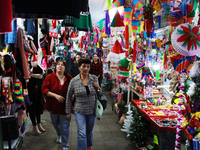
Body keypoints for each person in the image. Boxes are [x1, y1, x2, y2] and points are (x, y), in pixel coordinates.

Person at [66, 58, 101, 150]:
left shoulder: (94, 78)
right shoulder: (74, 81)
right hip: (79, 110)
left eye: (88, 66)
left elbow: (99, 94)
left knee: (89, 131)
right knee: (82, 133)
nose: (86, 68)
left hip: (92, 110)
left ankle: (89, 146)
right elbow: (68, 96)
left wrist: (98, 88)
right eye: (83, 66)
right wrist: (68, 112)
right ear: (79, 67)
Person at [41, 60, 72, 150]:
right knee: (55, 123)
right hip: (53, 106)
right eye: (58, 64)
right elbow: (44, 90)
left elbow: (74, 88)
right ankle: (59, 134)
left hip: (65, 107)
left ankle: (65, 145)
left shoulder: (69, 78)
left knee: (65, 126)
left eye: (62, 65)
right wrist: (55, 95)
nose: (60, 66)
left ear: (65, 68)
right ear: (55, 67)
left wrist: (73, 95)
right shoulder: (50, 77)